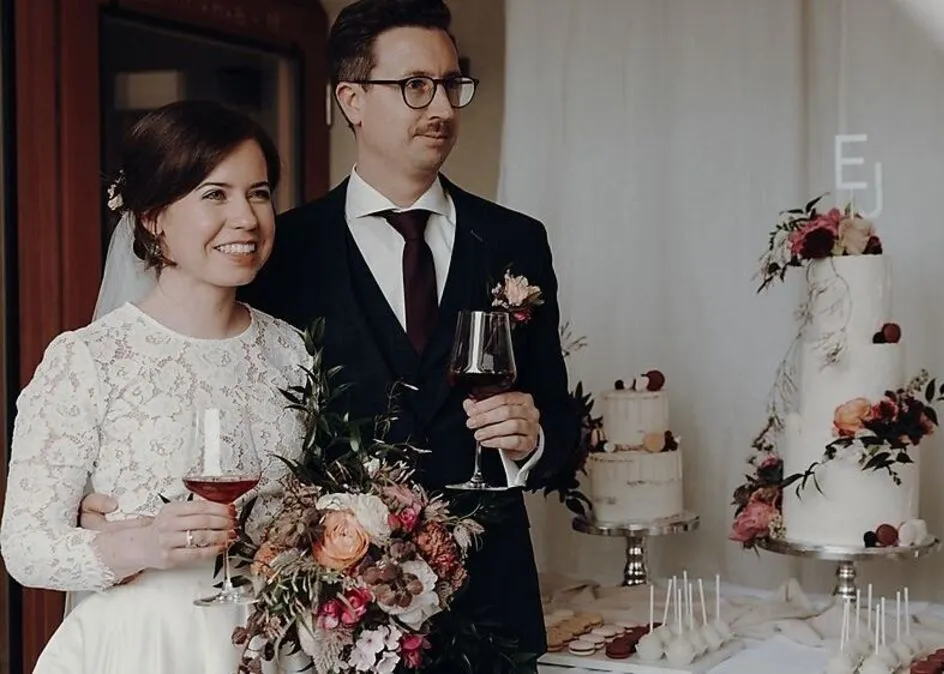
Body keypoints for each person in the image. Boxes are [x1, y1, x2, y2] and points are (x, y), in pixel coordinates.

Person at [82, 0, 578, 667]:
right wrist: (115, 513)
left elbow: (562, 429)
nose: (441, 107)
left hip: (493, 607)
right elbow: (212, 391)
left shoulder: (515, 241)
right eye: (415, 85)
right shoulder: (277, 251)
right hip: (335, 620)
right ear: (352, 99)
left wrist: (534, 438)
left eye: (451, 84)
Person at [0, 100, 310, 674]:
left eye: (259, 193)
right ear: (152, 217)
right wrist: (139, 545)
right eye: (215, 194)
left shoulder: (293, 351)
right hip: (144, 646)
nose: (246, 218)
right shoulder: (89, 359)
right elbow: (24, 546)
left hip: (272, 643)